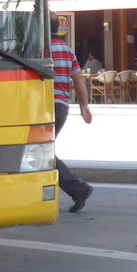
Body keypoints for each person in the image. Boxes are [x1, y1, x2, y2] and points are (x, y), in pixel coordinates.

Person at [51, 25, 93, 213]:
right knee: (39, 152)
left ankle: (78, 188)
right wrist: (83, 106)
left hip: (45, 107)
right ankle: (78, 189)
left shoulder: (38, 48)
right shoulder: (68, 51)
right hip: (61, 107)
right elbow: (78, 80)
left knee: (38, 153)